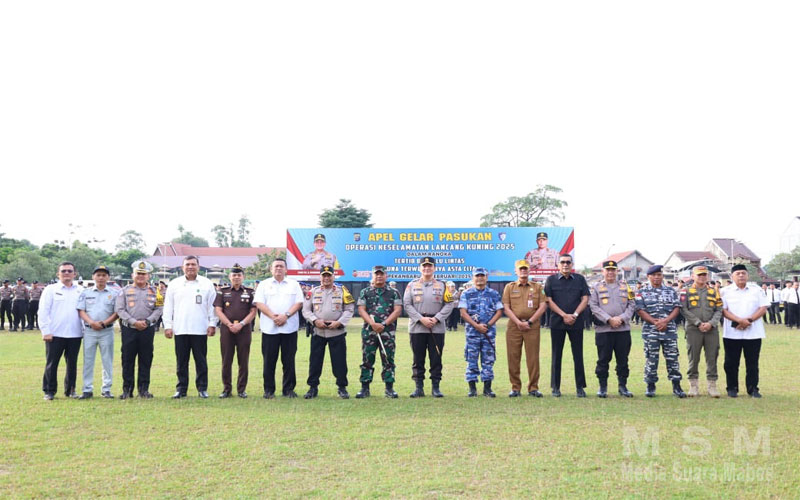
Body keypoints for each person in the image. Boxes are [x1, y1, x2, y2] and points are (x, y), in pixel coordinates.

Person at [163, 256, 218, 399]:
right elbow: (168, 307)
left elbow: (212, 306)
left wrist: (212, 323)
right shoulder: (174, 284)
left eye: (193, 264)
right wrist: (168, 326)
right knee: (181, 362)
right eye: (187, 264)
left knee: (201, 361)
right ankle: (181, 389)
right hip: (180, 328)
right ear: (182, 267)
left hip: (200, 328)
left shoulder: (206, 284)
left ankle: (202, 388)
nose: (190, 267)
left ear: (198, 267)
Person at [403, 256, 456, 398]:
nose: (427, 268)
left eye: (430, 266)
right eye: (424, 266)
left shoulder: (443, 285)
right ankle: (418, 388)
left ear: (434, 268)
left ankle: (435, 388)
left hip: (436, 327)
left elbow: (449, 304)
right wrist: (421, 319)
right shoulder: (411, 285)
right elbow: (407, 305)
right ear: (419, 268)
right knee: (418, 358)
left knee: (436, 358)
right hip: (417, 327)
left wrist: (436, 318)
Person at [302, 266, 355, 399]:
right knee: (315, 362)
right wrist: (315, 321)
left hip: (336, 332)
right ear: (320, 277)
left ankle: (342, 388)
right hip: (318, 332)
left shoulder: (342, 291)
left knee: (339, 362)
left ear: (333, 276)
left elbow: (349, 309)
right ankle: (312, 388)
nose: (326, 278)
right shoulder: (313, 292)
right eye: (324, 275)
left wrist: (339, 322)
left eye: (329, 275)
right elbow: (306, 310)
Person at [254, 258, 304, 399]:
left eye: (281, 266)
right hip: (270, 329)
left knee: (289, 361)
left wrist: (285, 316)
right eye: (276, 266)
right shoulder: (264, 284)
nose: (278, 268)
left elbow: (299, 303)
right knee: (269, 361)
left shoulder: (294, 284)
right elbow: (259, 303)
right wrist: (273, 316)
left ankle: (288, 389)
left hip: (289, 328)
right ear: (271, 269)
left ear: (286, 269)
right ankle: (269, 390)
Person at [635, 265, 687, 398]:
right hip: (651, 331)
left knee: (673, 358)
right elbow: (640, 310)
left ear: (662, 276)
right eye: (654, 275)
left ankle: (676, 386)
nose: (657, 277)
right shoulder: (642, 292)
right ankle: (650, 385)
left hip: (669, 331)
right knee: (651, 358)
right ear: (648, 277)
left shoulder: (670, 291)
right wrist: (655, 322)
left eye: (659, 275)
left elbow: (677, 307)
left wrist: (666, 321)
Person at [115, 260, 163, 399]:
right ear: (132, 275)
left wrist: (148, 321)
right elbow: (120, 309)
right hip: (129, 329)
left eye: (144, 274)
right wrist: (134, 322)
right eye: (138, 273)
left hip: (147, 330)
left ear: (148, 276)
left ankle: (144, 390)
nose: (141, 276)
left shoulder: (156, 291)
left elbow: (159, 309)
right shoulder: (124, 291)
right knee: (127, 360)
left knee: (146, 359)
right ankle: (127, 390)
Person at [544, 254, 590, 397]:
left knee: (578, 355)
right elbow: (549, 300)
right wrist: (564, 315)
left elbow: (585, 299)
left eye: (568, 262)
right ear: (558, 265)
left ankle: (580, 387)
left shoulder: (580, 279)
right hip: (557, 322)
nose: (565, 265)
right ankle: (555, 387)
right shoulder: (551, 280)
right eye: (562, 262)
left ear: (572, 264)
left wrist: (574, 315)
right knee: (556, 355)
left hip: (576, 322)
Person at [588, 260, 635, 398]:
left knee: (623, 360)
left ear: (617, 271)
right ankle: (602, 387)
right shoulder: (596, 288)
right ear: (603, 271)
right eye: (607, 270)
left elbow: (632, 305)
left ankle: (623, 386)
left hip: (622, 330)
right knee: (603, 360)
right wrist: (609, 319)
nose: (610, 272)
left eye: (613, 270)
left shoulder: (626, 287)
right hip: (604, 331)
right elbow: (593, 306)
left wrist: (621, 318)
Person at [721, 264, 770, 398]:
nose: (741, 275)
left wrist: (748, 320)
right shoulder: (725, 291)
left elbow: (763, 308)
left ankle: (753, 389)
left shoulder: (756, 290)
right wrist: (739, 320)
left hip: (753, 332)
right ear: (732, 276)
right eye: (738, 273)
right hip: (732, 333)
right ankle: (732, 388)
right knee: (731, 363)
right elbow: (723, 310)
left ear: (748, 275)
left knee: (752, 363)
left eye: (743, 273)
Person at [356, 265, 403, 398]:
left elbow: (397, 310)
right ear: (373, 275)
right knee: (367, 359)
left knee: (388, 359)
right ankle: (365, 388)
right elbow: (361, 310)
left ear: (386, 276)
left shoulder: (394, 292)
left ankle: (389, 388)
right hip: (369, 332)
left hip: (387, 332)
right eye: (376, 274)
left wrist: (383, 324)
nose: (379, 276)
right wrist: (372, 324)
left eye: (381, 274)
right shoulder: (365, 292)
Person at [503, 260, 547, 398]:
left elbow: (543, 306)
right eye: (520, 269)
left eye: (525, 268)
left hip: (532, 326)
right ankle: (515, 388)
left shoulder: (538, 287)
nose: (523, 271)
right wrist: (518, 322)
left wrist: (530, 321)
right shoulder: (509, 287)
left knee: (533, 358)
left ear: (529, 270)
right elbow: (506, 307)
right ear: (516, 271)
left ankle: (533, 388)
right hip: (514, 326)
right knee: (513, 357)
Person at [40, 262, 83, 400]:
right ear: (58, 274)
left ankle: (70, 390)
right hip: (55, 334)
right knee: (52, 363)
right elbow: (43, 311)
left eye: (69, 271)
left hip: (75, 333)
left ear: (75, 274)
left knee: (72, 364)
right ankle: (49, 391)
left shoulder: (81, 290)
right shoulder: (51, 289)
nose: (66, 273)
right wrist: (45, 330)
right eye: (63, 271)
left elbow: (84, 311)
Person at [459, 267, 504, 397]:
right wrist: (476, 326)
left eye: (482, 276)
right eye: (477, 276)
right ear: (473, 278)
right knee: (471, 360)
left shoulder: (493, 293)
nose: (479, 278)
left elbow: (499, 311)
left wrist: (488, 325)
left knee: (488, 360)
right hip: (472, 333)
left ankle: (487, 388)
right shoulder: (466, 294)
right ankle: (472, 389)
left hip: (488, 333)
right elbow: (463, 313)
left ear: (486, 277)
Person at [214, 264, 257, 398]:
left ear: (243, 277)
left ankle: (241, 389)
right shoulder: (222, 291)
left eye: (239, 275)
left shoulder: (250, 292)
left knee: (243, 360)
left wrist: (241, 324)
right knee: (226, 360)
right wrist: (229, 324)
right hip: (227, 330)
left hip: (244, 330)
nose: (236, 277)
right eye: (234, 275)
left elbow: (253, 311)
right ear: (230, 277)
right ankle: (226, 389)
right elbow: (218, 310)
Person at [76, 266, 119, 399]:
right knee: (88, 361)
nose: (101, 278)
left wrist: (104, 323)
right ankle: (87, 389)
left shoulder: (114, 293)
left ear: (108, 277)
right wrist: (91, 322)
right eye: (98, 275)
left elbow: (117, 312)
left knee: (107, 360)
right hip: (90, 331)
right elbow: (81, 310)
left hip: (107, 330)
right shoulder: (85, 292)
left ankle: (106, 389)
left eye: (104, 275)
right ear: (93, 277)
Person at [680, 266, 723, 398]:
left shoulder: (714, 291)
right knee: (693, 357)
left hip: (711, 329)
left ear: (708, 277)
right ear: (693, 276)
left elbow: (719, 309)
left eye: (704, 275)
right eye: (699, 275)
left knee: (712, 357)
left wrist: (711, 323)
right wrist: (698, 323)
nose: (702, 277)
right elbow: (683, 309)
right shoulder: (685, 291)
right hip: (693, 329)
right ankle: (693, 385)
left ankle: (712, 385)